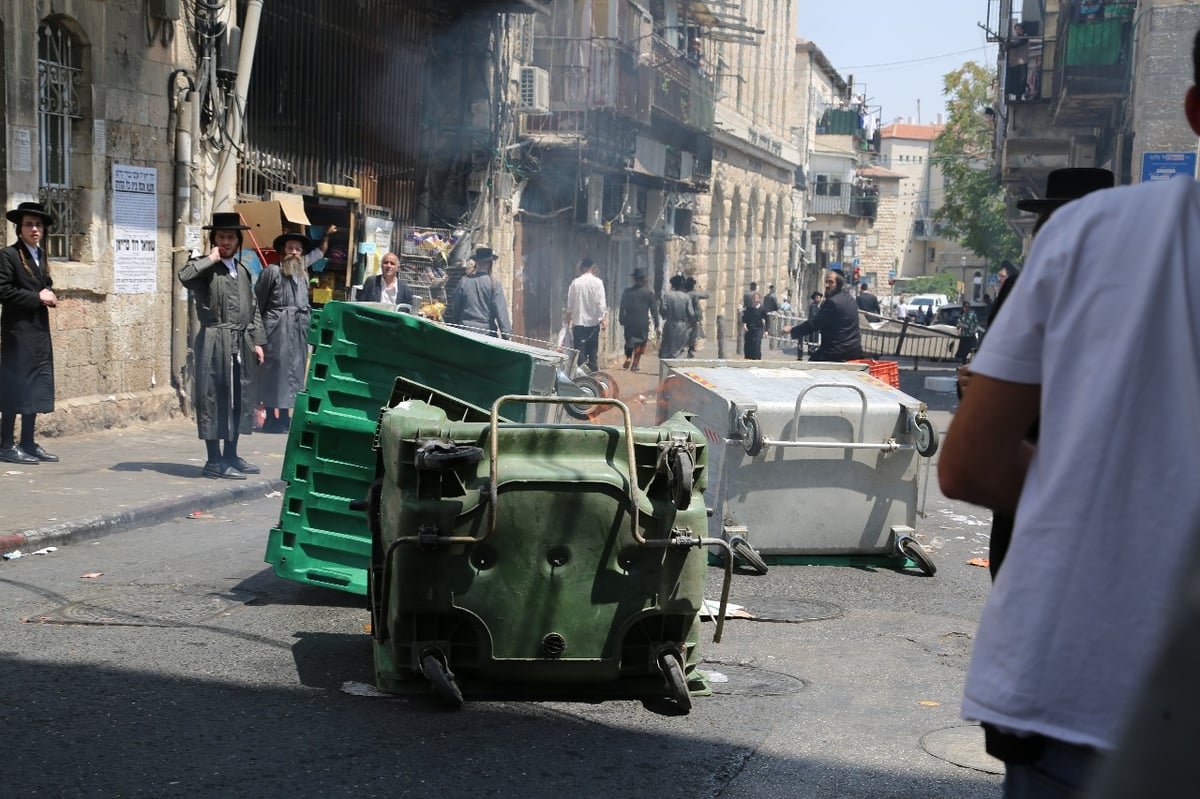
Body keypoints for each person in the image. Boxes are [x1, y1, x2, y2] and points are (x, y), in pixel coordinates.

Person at [936, 35, 1200, 794]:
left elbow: (971, 460)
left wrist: (1093, 492)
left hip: (1079, 674)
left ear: (1192, 111)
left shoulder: (1083, 240)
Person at [958, 168, 1113, 580]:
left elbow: (964, 466)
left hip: (1045, 471)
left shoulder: (1121, 295)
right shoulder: (1028, 287)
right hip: (1041, 472)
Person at [179, 212, 266, 480]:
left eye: (230, 237)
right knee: (214, 399)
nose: (225, 242)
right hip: (215, 343)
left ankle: (231, 455)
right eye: (221, 237)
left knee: (239, 399)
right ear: (213, 240)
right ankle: (214, 461)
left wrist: (258, 342)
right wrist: (211, 258)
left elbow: (253, 310)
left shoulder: (242, 271)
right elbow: (184, 275)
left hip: (240, 343)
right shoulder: (204, 268)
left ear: (238, 241)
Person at [0, 201, 59, 465]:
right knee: (15, 387)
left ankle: (27, 442)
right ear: (19, 228)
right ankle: (5, 445)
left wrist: (49, 294)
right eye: (28, 224)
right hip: (18, 333)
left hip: (38, 332)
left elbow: (42, 284)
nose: (34, 229)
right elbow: (3, 291)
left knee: (35, 386)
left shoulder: (40, 254)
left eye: (38, 225)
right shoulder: (8, 255)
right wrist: (37, 297)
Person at [254, 232, 316, 434]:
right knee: (275, 373)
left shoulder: (303, 275)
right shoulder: (272, 272)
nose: (294, 253)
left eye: (298, 249)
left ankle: (285, 417)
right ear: (283, 250)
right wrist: (258, 335)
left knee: (294, 373)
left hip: (298, 330)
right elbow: (257, 304)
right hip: (276, 330)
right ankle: (272, 417)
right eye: (290, 248)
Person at [785, 270, 863, 362]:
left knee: (809, 369)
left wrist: (793, 330)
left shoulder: (833, 302)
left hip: (835, 352)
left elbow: (815, 323)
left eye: (831, 282)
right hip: (855, 351)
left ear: (840, 284)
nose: (827, 285)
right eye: (826, 282)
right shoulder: (851, 299)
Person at [446, 246, 511, 339]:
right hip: (486, 335)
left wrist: (458, 324)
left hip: (465, 332)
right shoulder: (494, 284)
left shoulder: (464, 281)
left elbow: (456, 308)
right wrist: (506, 336)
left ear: (476, 263)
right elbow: (501, 313)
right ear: (490, 263)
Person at [565, 256, 606, 372]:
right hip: (593, 324)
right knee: (593, 352)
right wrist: (604, 319)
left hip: (578, 323)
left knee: (580, 352)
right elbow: (601, 303)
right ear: (592, 267)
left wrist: (567, 322)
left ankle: (581, 379)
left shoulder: (575, 283)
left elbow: (570, 305)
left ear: (582, 268)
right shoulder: (598, 283)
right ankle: (594, 378)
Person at [617, 268, 659, 372]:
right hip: (642, 321)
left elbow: (622, 307)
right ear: (644, 279)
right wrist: (657, 324)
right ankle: (635, 363)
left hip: (630, 321)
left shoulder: (627, 292)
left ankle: (628, 357)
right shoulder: (648, 293)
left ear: (634, 279)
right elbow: (654, 310)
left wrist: (621, 318)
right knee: (641, 343)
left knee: (629, 341)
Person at [658, 273, 696, 360]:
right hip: (682, 326)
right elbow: (691, 313)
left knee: (666, 347)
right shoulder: (686, 297)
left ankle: (665, 369)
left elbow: (662, 310)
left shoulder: (667, 295)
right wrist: (692, 324)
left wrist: (665, 316)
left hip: (669, 324)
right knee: (679, 349)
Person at [684, 275, 707, 357]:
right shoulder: (694, 294)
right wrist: (702, 287)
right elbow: (706, 295)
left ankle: (688, 349)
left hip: (686, 317)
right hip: (694, 317)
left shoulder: (685, 294)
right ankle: (690, 350)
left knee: (688, 333)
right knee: (693, 335)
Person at [741, 292, 768, 360]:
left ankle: (757, 358)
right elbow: (744, 318)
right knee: (748, 344)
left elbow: (767, 320)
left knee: (757, 343)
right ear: (752, 299)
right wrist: (744, 325)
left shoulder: (762, 309)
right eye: (754, 298)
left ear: (759, 299)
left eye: (757, 299)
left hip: (758, 329)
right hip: (749, 329)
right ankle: (748, 358)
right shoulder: (749, 308)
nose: (755, 300)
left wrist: (766, 331)